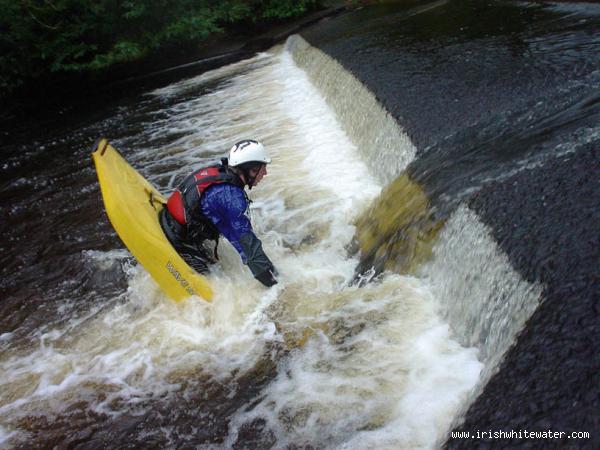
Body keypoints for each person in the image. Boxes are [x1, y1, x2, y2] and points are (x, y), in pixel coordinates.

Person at [159, 139, 278, 287]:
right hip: (178, 242)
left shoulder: (220, 172)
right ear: (252, 170)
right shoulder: (231, 198)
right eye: (263, 168)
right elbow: (248, 246)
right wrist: (274, 281)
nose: (265, 173)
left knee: (216, 265)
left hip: (170, 221)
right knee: (214, 285)